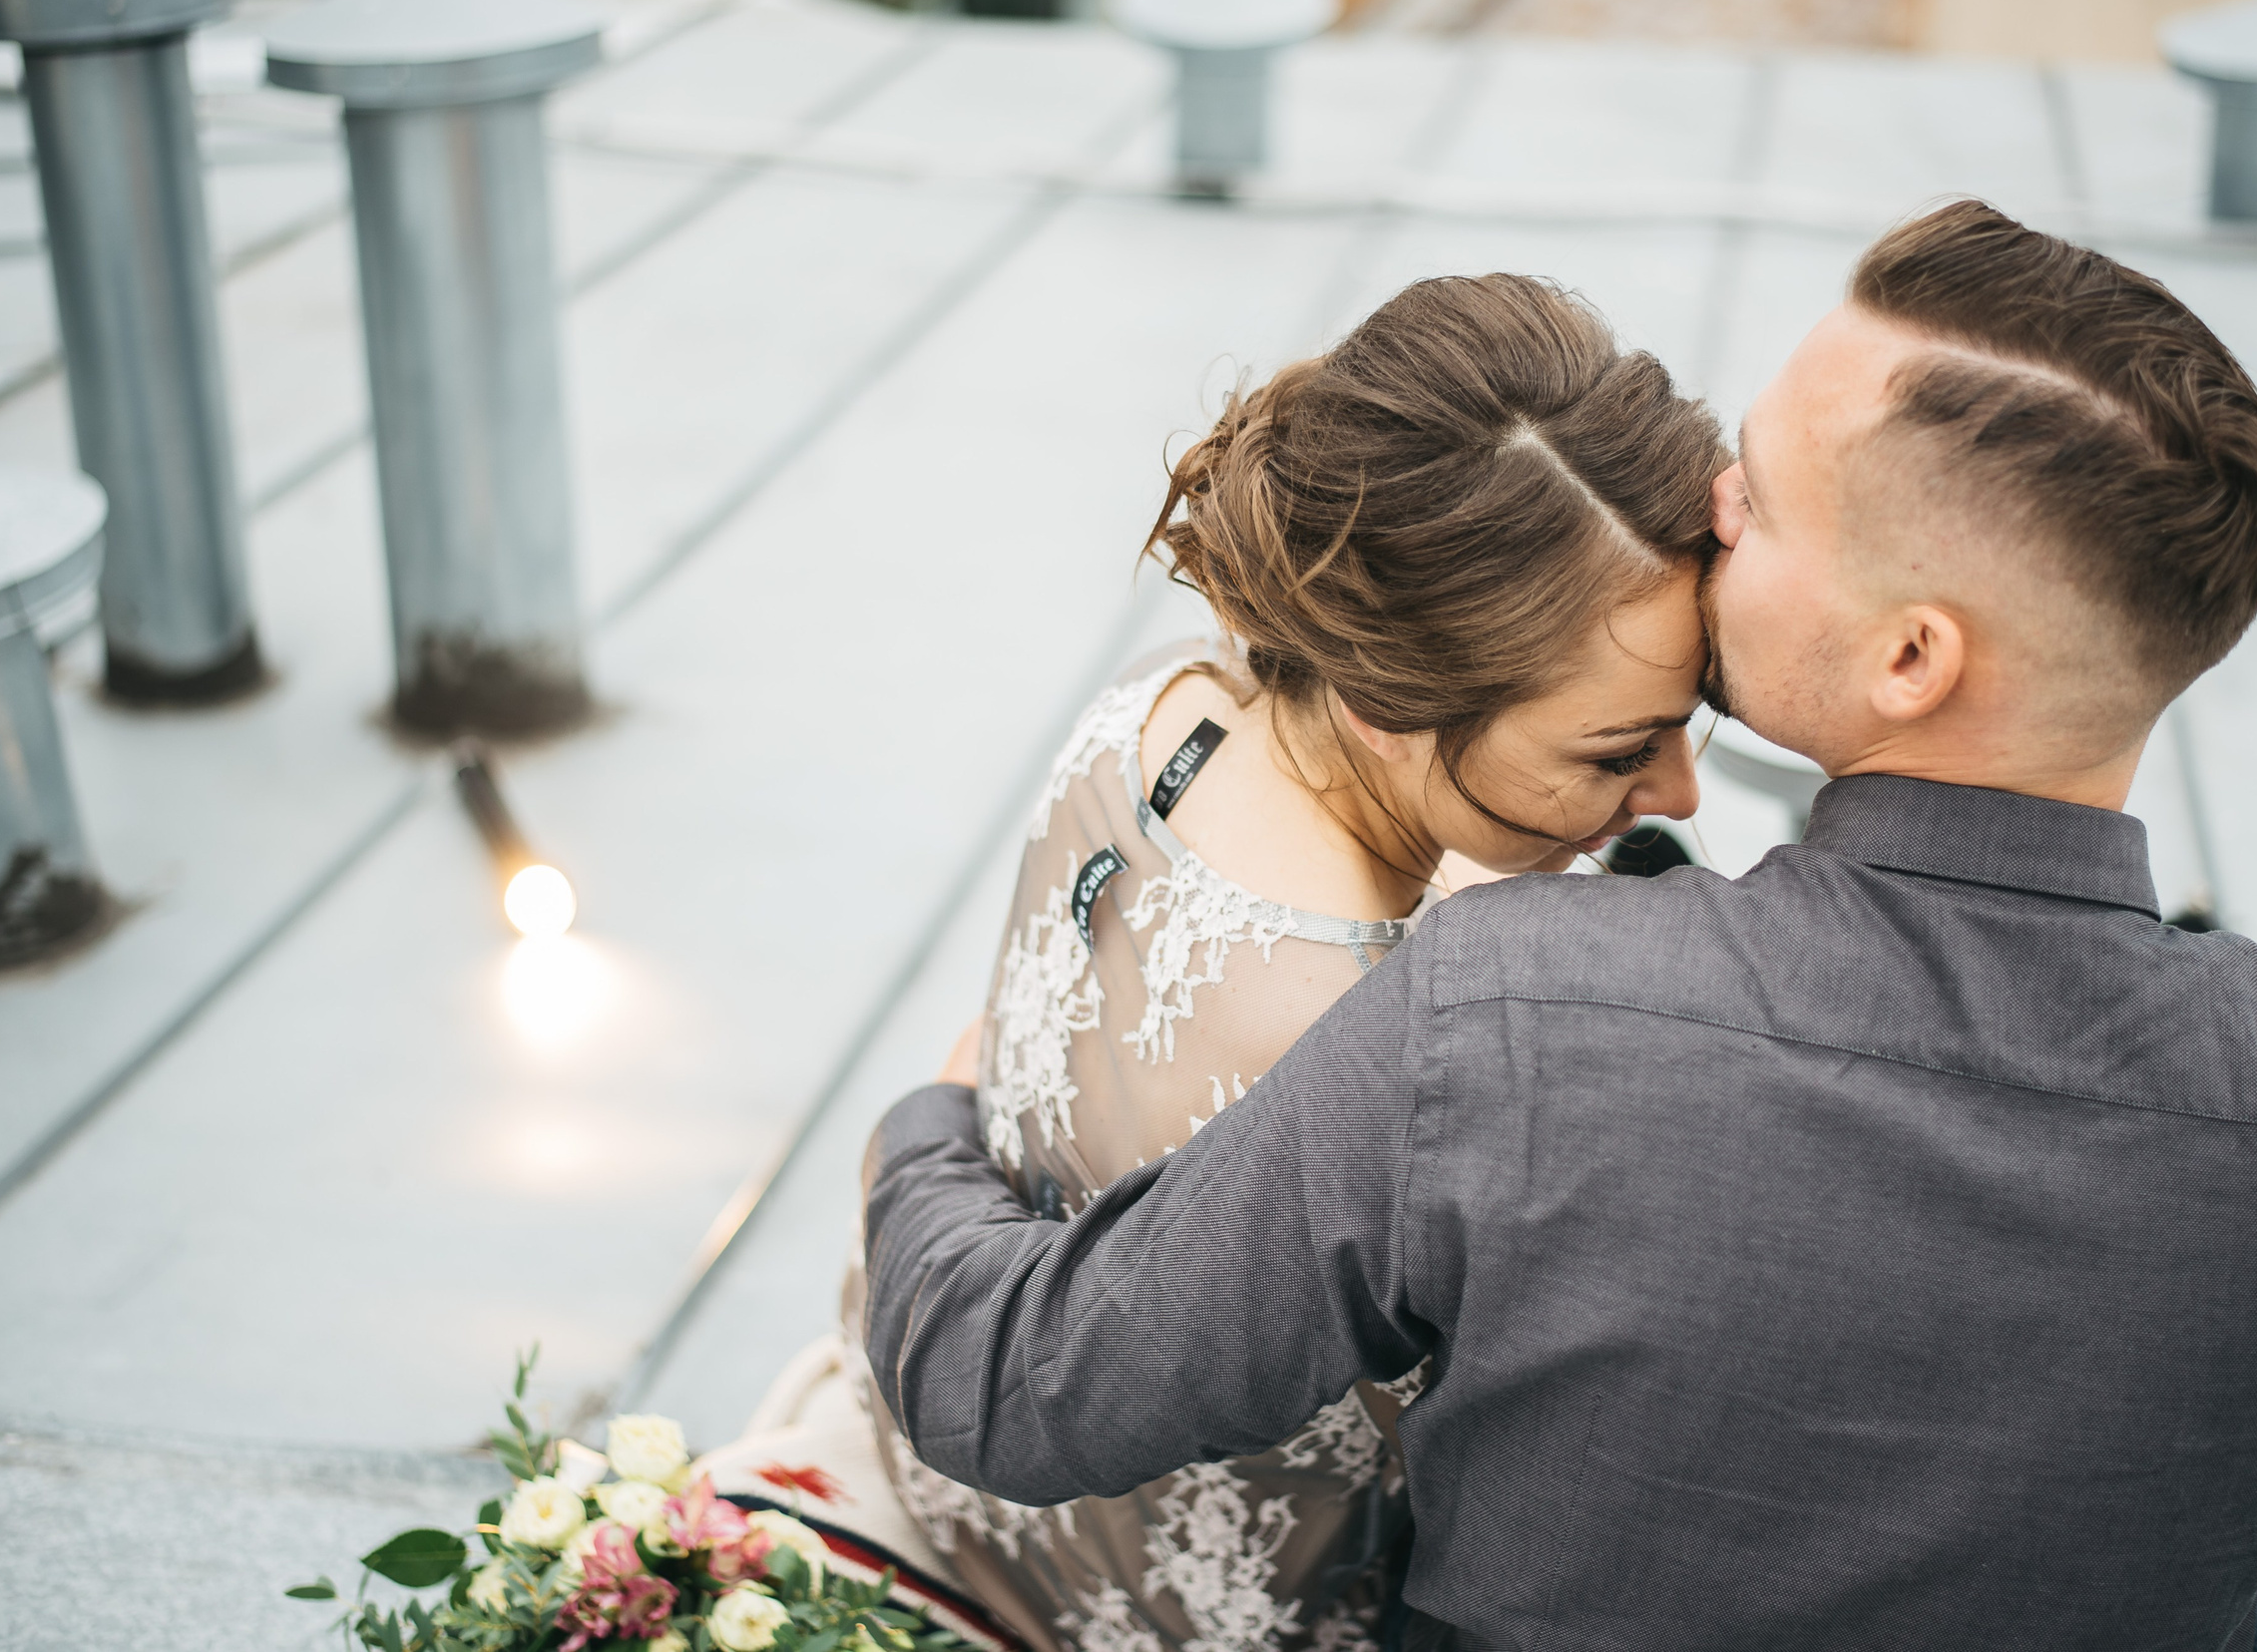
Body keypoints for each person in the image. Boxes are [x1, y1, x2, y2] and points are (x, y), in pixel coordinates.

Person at [856, 201, 2257, 1651]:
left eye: (1755, 497)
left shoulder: (1507, 1019)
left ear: (1911, 658)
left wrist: (936, 1116)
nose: (1711, 499)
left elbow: (1015, 1382)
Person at [706, 274, 1729, 1651]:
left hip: (932, 1423)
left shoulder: (1167, 702)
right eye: (1615, 751)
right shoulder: (1377, 1041)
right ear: (1384, 701)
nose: (1677, 793)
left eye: (1686, 724)